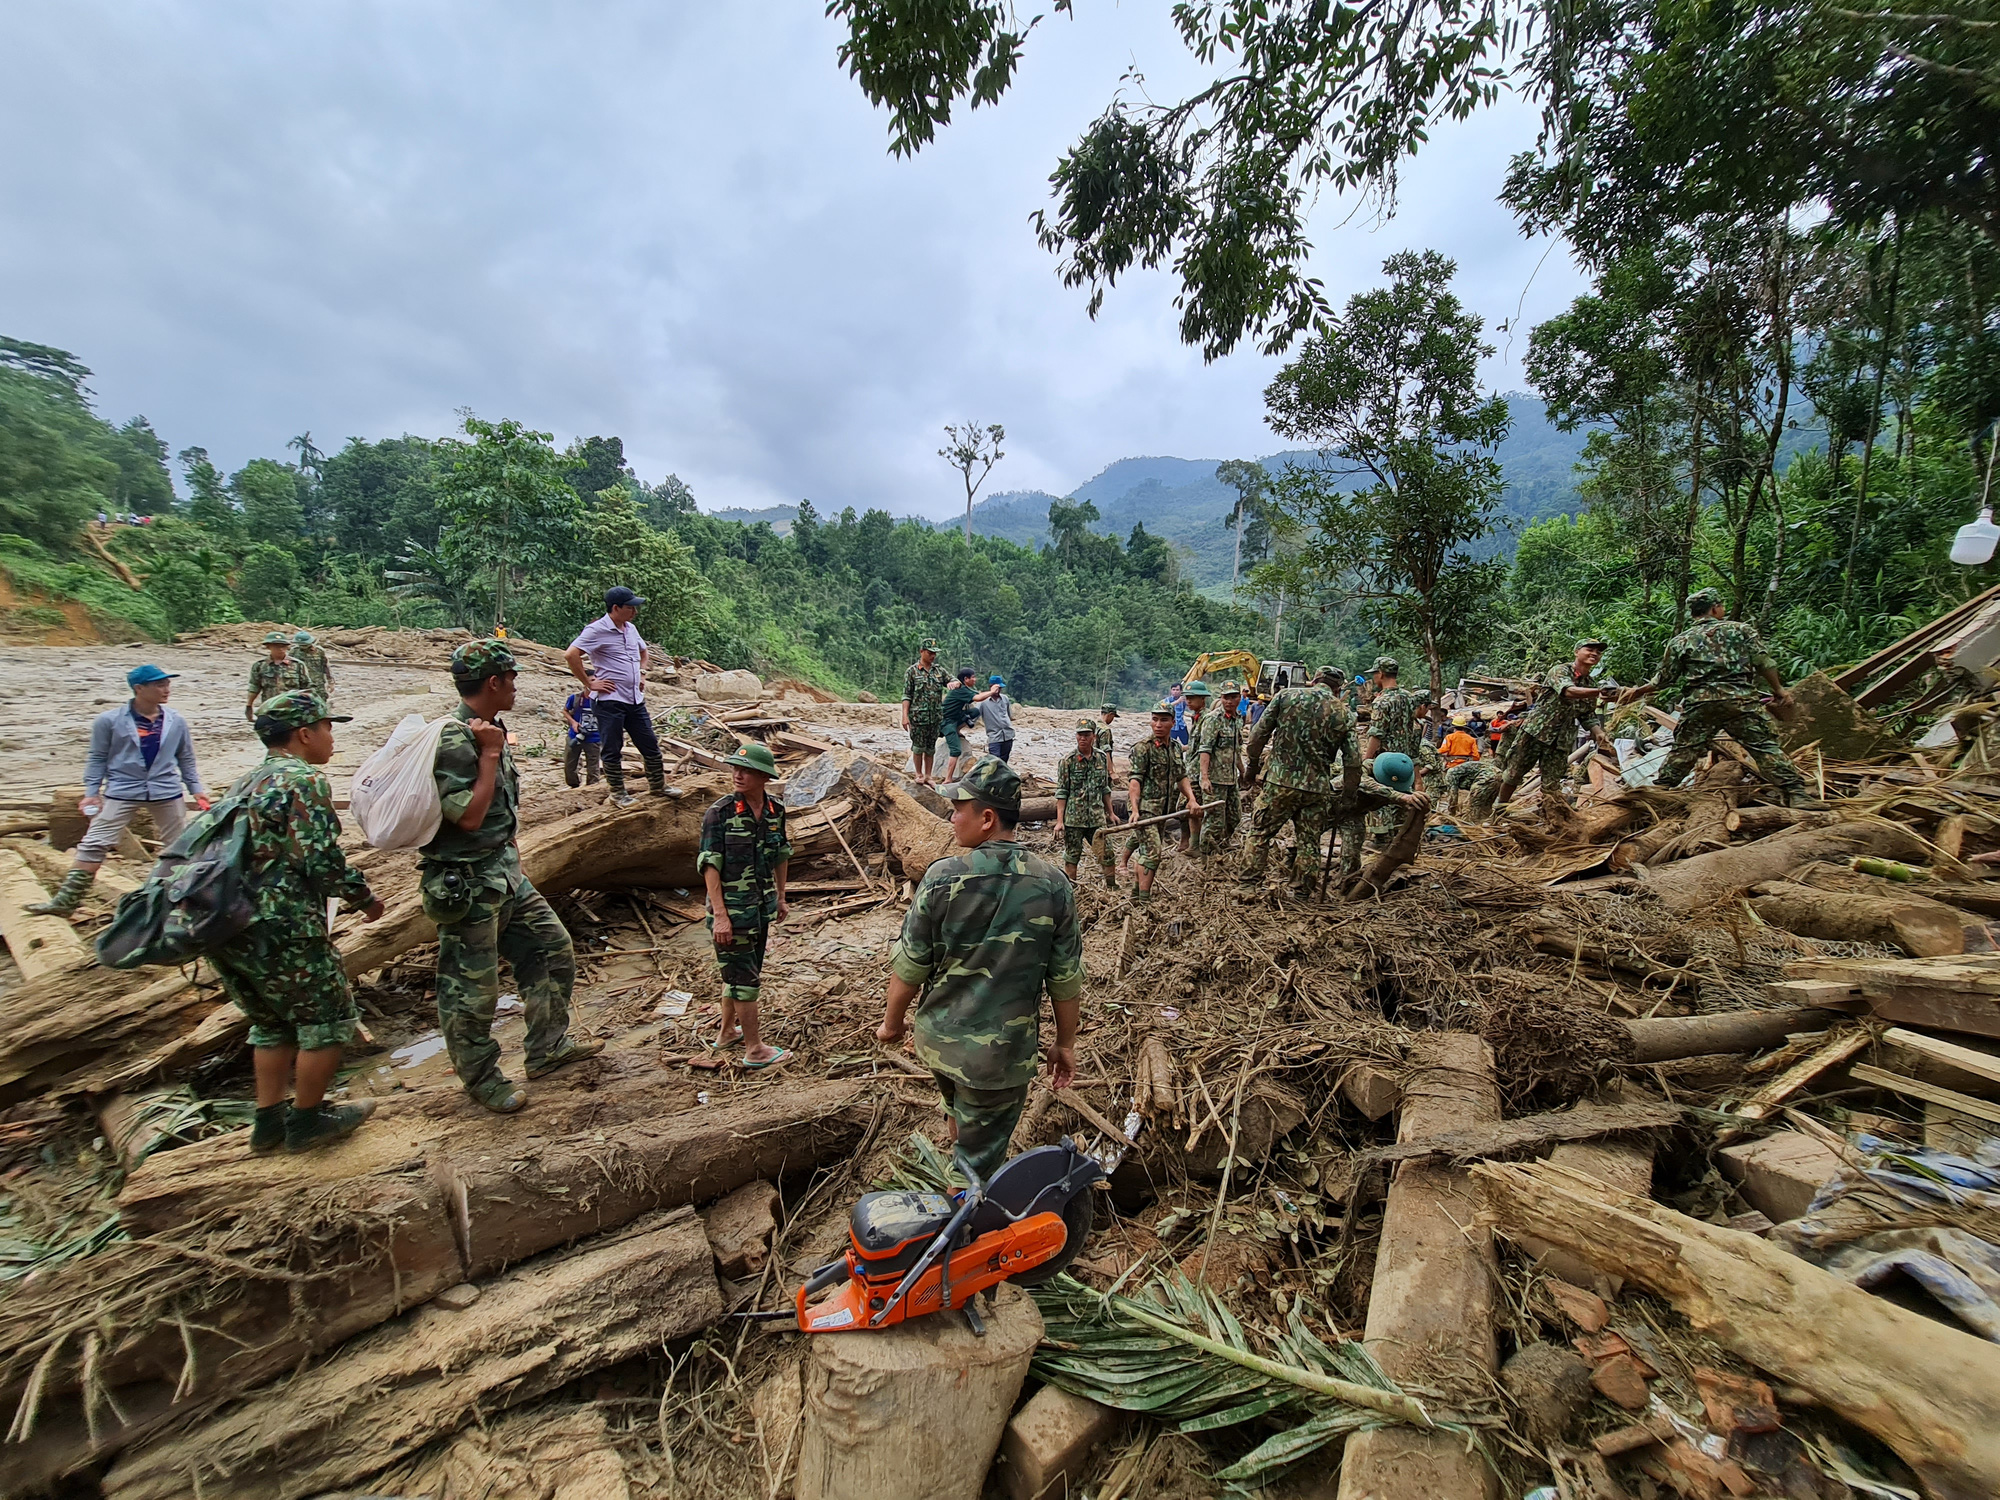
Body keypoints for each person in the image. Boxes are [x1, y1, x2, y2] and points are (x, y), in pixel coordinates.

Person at [876, 757, 1084, 1181]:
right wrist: (1065, 1044)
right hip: (998, 1060)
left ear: (987, 818)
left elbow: (911, 965)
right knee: (977, 1164)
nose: (952, 819)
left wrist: (891, 1025)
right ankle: (962, 1214)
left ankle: (958, 1184)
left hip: (939, 1043)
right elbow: (1064, 979)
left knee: (957, 1113)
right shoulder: (1052, 883)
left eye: (958, 810)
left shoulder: (941, 878)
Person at [422, 639, 603, 1113]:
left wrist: (514, 854)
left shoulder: (488, 731)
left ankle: (546, 1048)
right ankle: (481, 1079)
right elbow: (468, 818)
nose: (518, 686)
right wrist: (487, 755)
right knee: (471, 990)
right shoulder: (457, 739)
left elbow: (502, 812)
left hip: (503, 874)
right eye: (513, 678)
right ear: (494, 682)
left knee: (551, 949)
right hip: (468, 885)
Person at [209, 691, 386, 1153]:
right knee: (328, 1020)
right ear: (304, 734)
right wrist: (364, 898)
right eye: (328, 728)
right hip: (282, 924)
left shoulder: (243, 782)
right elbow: (321, 860)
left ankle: (267, 1123)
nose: (331, 737)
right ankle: (307, 1121)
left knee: (271, 1023)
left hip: (229, 923)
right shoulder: (302, 780)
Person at [29, 664, 211, 915]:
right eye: (159, 685)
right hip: (123, 789)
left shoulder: (175, 721)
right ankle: (66, 901)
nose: (166, 690)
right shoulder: (109, 721)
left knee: (179, 845)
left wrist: (196, 789)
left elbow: (186, 757)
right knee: (94, 842)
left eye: (167, 684)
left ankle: (175, 900)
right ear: (139, 688)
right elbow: (97, 758)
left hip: (165, 789)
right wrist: (92, 792)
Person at [1620, 590, 1818, 803]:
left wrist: (1638, 691)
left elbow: (1665, 679)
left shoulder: (1680, 641)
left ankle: (1660, 792)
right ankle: (1797, 795)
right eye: (1721, 605)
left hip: (1701, 704)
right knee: (1764, 746)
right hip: (1741, 702)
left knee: (1685, 749)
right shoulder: (1741, 630)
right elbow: (1764, 663)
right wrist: (1779, 690)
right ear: (1715, 608)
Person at [1241, 667, 1420, 894]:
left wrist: (1253, 767)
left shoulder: (1286, 697)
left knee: (1260, 834)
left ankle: (1247, 887)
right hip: (1317, 789)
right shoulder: (1343, 713)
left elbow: (1257, 736)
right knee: (1309, 843)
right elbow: (1353, 762)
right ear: (1337, 689)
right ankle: (1301, 892)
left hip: (1279, 782)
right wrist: (1348, 796)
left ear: (1314, 680)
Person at [698, 742, 792, 1068]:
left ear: (764, 776)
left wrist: (780, 897)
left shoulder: (774, 811)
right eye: (735, 769)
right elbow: (710, 865)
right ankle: (754, 1050)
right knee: (745, 981)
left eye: (746, 770)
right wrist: (720, 916)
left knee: (739, 974)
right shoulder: (719, 814)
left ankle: (727, 1032)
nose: (738, 775)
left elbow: (781, 855)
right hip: (732, 913)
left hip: (761, 907)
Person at [566, 586, 666, 808]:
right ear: (615, 608)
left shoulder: (630, 628)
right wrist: (589, 682)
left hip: (634, 698)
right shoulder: (596, 630)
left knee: (649, 742)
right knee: (612, 746)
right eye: (630, 608)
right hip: (610, 700)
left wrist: (641, 672)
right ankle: (617, 793)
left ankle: (659, 785)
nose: (634, 612)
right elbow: (571, 654)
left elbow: (644, 652)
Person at [1494, 639, 1621, 812]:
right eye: (1589, 649)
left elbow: (1586, 713)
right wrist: (1601, 692)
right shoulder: (1560, 671)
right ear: (1577, 652)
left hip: (1561, 740)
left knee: (1552, 783)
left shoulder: (1590, 684)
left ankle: (1551, 819)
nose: (1594, 653)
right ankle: (1499, 809)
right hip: (1535, 732)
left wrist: (1598, 732)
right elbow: (1568, 691)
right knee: (1513, 774)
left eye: (1598, 652)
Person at [1125, 702, 1196, 904]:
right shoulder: (1143, 748)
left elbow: (1181, 776)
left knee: (1147, 852)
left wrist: (1191, 798)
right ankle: (1145, 902)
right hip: (1146, 809)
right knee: (1154, 853)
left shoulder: (1174, 748)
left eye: (1163, 720)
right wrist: (1135, 810)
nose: (1158, 724)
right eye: (1155, 719)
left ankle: (1136, 896)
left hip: (1164, 810)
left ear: (1173, 722)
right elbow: (1135, 781)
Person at [1054, 720, 1120, 889]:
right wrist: (1060, 821)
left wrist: (1110, 813)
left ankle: (1112, 886)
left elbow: (1104, 788)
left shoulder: (1101, 758)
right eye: (1079, 734)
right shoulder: (1067, 761)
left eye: (1086, 735)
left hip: (1097, 818)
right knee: (1072, 855)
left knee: (1107, 853)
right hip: (1074, 819)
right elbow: (1062, 792)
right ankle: (1072, 888)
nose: (1082, 738)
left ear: (1094, 736)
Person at [1193, 681, 1247, 858]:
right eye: (1226, 698)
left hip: (1231, 779)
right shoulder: (1213, 719)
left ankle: (1222, 847)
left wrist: (1243, 771)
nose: (1229, 701)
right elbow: (1205, 749)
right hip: (1215, 779)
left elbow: (1236, 749)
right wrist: (1205, 777)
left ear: (1240, 697)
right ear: (1220, 698)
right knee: (1214, 821)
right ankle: (1207, 856)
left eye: (1233, 697)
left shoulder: (1238, 718)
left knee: (1235, 817)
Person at [902, 639, 950, 786]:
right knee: (918, 747)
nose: (932, 656)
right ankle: (918, 773)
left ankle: (929, 776)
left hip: (934, 717)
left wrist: (954, 683)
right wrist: (905, 715)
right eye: (930, 653)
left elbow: (951, 680)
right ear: (921, 651)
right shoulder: (912, 671)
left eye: (934, 653)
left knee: (930, 748)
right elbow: (907, 695)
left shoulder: (939, 671)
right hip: (918, 717)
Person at [245, 631, 310, 721]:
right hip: (269, 708)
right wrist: (249, 705)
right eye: (276, 646)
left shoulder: (298, 665)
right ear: (268, 646)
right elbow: (254, 687)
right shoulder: (260, 666)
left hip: (292, 709)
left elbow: (307, 688)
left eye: (283, 646)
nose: (281, 649)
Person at [1177, 682, 1211, 852]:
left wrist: (1204, 776)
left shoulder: (1207, 719)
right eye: (1187, 698)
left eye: (1192, 698)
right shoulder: (1196, 718)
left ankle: (1194, 845)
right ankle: (1187, 841)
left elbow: (1205, 748)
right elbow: (1194, 745)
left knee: (1192, 809)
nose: (1188, 701)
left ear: (1202, 699)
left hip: (1197, 773)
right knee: (1183, 809)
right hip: (1189, 770)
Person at [940, 668, 980, 782]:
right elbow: (979, 697)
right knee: (956, 750)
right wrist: (992, 692)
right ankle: (948, 778)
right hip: (946, 721)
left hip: (955, 717)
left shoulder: (964, 688)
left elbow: (977, 695)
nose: (975, 679)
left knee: (974, 712)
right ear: (966, 679)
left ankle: (958, 729)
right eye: (973, 677)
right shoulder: (961, 690)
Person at [561, 685, 603, 787]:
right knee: (569, 764)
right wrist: (573, 722)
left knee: (593, 767)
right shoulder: (575, 698)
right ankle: (574, 785)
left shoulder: (603, 700)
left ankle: (592, 788)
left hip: (594, 737)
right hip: (575, 735)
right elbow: (565, 710)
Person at [974, 675, 1016, 763]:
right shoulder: (982, 701)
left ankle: (1002, 777)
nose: (998, 690)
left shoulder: (1005, 699)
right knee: (994, 762)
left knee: (1004, 762)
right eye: (997, 688)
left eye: (1000, 688)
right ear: (991, 687)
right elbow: (974, 716)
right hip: (994, 737)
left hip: (1008, 735)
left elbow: (1008, 715)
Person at [292, 629, 333, 701]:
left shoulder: (319, 651)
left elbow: (326, 666)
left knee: (320, 702)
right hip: (301, 684)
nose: (303, 646)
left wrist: (331, 682)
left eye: (305, 644)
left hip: (317, 684)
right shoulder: (294, 651)